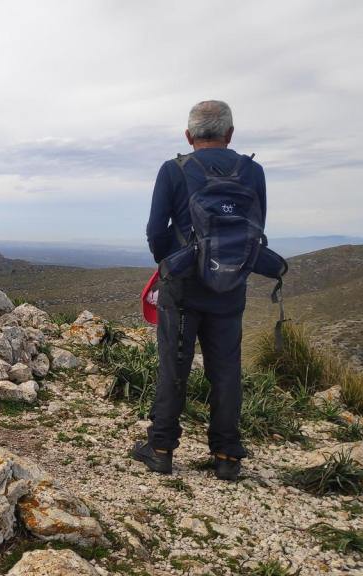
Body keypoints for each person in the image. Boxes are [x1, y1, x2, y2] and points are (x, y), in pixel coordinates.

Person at [132, 100, 267, 481]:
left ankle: (160, 448)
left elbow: (156, 230)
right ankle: (227, 456)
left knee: (174, 364)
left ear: (188, 136)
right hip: (231, 287)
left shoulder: (174, 170)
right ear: (230, 134)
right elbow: (255, 228)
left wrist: (168, 265)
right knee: (226, 368)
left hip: (185, 286)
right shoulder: (252, 171)